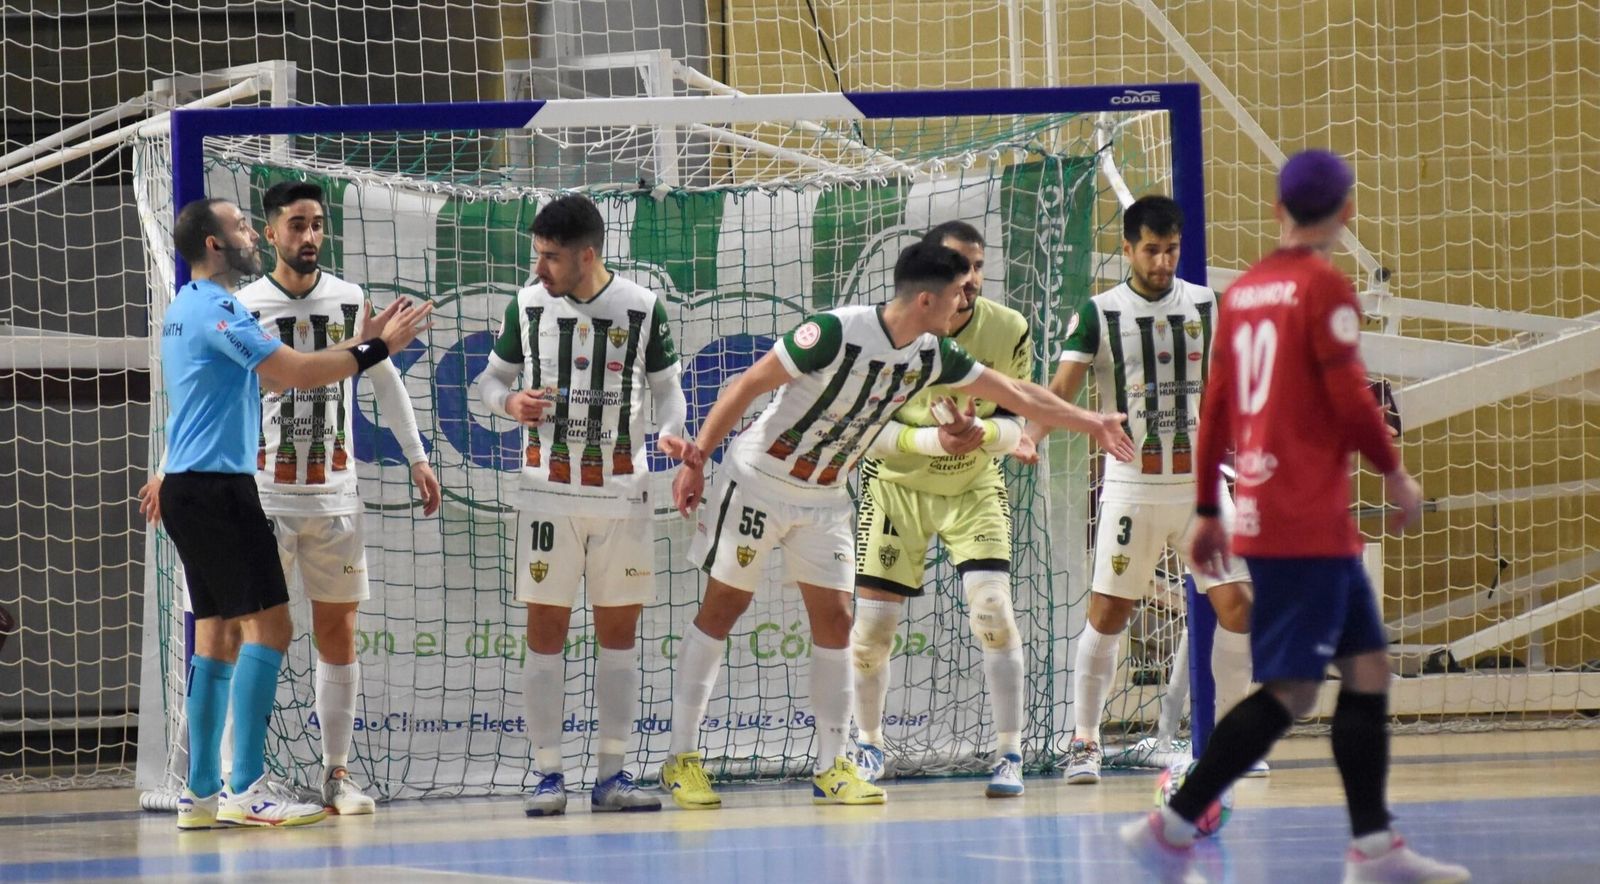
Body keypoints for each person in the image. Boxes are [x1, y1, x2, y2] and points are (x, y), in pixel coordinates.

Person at [658, 241, 1134, 810]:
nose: (968, 299)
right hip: (760, 480)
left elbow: (1015, 394)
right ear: (928, 299)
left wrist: (1091, 421)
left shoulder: (933, 354)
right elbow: (747, 386)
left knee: (837, 622)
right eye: (960, 291)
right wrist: (697, 459)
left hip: (826, 497)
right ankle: (681, 757)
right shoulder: (834, 332)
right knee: (723, 608)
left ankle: (833, 766)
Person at [1119, 151, 1469, 884]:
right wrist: (1396, 474)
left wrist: (1212, 507)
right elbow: (1351, 399)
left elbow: (1214, 408)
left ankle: (1374, 849)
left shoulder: (1243, 293)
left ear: (1278, 211)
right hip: (1304, 517)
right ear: (1346, 213)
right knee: (1290, 690)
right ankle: (1173, 825)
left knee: (1367, 668)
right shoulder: (1324, 287)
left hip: (1273, 509)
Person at [138, 197, 433, 829]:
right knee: (270, 632)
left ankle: (199, 796)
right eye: (242, 226)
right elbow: (294, 371)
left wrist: (362, 341)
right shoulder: (223, 308)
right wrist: (376, 346)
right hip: (225, 490)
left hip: (196, 487)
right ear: (216, 244)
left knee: (215, 638)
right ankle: (247, 788)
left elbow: (263, 382)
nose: (250, 233)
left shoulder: (185, 307)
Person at [1021, 195, 1261, 784]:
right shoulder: (1098, 314)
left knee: (1238, 605)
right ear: (1127, 248)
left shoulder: (1208, 305)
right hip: (1133, 486)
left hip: (1202, 489)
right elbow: (1062, 388)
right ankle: (1084, 741)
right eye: (1150, 250)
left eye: (1171, 249)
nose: (1161, 261)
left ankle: (1231, 743)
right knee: (1109, 613)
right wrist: (1030, 436)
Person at [471, 193, 695, 816]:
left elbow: (668, 394)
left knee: (618, 634)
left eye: (550, 257)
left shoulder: (643, 307)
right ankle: (548, 775)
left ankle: (612, 775)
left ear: (587, 254)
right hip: (547, 492)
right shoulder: (527, 302)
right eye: (536, 255)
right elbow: (490, 381)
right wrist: (508, 405)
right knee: (545, 630)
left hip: (623, 494)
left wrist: (673, 436)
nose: (539, 268)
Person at [233, 181, 442, 814]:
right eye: (297, 225)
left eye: (318, 225)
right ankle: (237, 774)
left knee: (338, 633)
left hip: (335, 496)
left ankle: (335, 775)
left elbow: (384, 380)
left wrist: (417, 456)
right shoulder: (244, 305)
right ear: (271, 234)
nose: (309, 237)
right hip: (264, 495)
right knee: (255, 636)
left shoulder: (351, 299)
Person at [849, 221, 1036, 798]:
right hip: (895, 488)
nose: (972, 279)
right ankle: (868, 743)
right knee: (870, 634)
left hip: (972, 489)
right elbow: (864, 434)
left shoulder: (1008, 330)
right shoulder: (886, 332)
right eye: (961, 266)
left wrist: (980, 433)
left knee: (994, 616)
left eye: (979, 266)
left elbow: (1019, 423)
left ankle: (1010, 753)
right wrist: (936, 441)